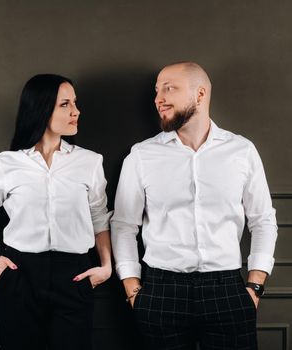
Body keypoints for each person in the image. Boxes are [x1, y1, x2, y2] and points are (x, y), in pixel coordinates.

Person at [111, 62, 277, 350]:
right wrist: (132, 289)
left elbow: (263, 220)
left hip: (227, 291)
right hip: (162, 292)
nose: (158, 98)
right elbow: (124, 225)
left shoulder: (242, 151)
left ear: (200, 94)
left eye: (169, 88)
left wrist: (255, 286)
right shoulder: (141, 155)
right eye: (156, 91)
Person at [0, 74, 112, 350]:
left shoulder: (90, 162)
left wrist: (107, 266)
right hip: (19, 277)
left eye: (75, 102)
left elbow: (99, 219)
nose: (76, 111)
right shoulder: (7, 164)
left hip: (74, 278)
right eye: (65, 104)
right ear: (42, 108)